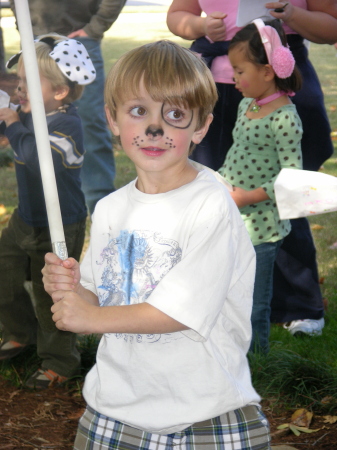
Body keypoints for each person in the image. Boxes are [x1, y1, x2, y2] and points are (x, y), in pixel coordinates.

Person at [42, 40, 271, 449]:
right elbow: (97, 299)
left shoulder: (209, 203)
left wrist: (88, 319)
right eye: (138, 111)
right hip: (115, 409)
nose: (155, 128)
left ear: (200, 126)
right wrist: (71, 288)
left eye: (175, 114)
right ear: (112, 119)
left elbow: (178, 311)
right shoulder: (112, 209)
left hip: (203, 414)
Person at [167, 0, 337, 337]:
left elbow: (331, 24)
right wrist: (202, 27)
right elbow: (176, 16)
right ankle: (217, 300)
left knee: (285, 199)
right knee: (211, 197)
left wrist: (293, 15)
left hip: (276, 89)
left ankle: (299, 306)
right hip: (212, 90)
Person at [0, 34, 95, 389]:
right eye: (19, 81)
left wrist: (12, 124)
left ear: (60, 92)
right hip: (26, 217)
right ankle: (19, 332)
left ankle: (60, 360)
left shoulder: (67, 127)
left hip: (60, 225)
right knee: (5, 271)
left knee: (51, 293)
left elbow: (35, 157)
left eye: (27, 83)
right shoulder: (28, 113)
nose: (19, 88)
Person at [218, 19, 303, 352]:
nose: (234, 78)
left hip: (262, 226)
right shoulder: (246, 104)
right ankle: (228, 352)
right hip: (232, 214)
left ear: (268, 72)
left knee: (254, 300)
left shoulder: (285, 117)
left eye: (239, 71)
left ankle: (257, 363)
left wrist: (247, 197)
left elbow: (291, 175)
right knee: (227, 291)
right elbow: (237, 154)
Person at [10, 0, 127, 215]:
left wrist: (95, 28)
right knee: (30, 126)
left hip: (77, 40)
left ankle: (103, 213)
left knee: (89, 126)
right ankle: (40, 215)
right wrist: (23, 25)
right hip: (32, 40)